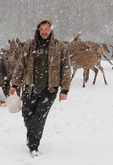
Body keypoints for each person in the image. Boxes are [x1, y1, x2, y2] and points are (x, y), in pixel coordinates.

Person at [9, 18, 71, 156]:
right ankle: (32, 135)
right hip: (30, 87)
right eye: (42, 30)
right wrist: (14, 83)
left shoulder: (60, 47)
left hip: (49, 89)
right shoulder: (30, 46)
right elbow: (21, 65)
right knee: (26, 115)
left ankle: (33, 146)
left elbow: (66, 69)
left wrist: (64, 89)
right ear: (38, 30)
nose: (44, 32)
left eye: (47, 30)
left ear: (51, 30)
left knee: (39, 117)